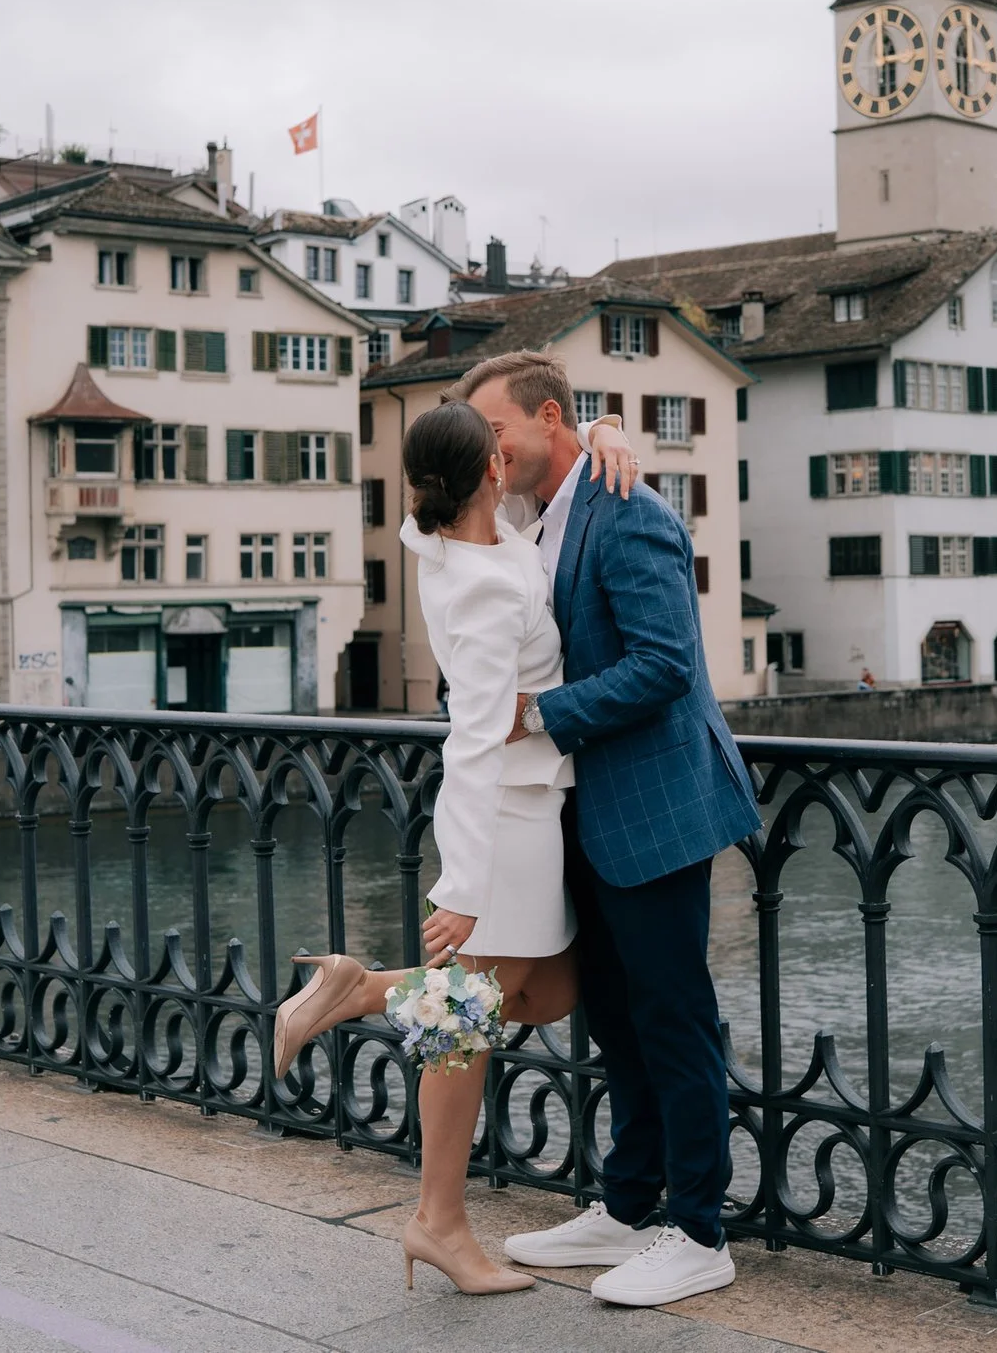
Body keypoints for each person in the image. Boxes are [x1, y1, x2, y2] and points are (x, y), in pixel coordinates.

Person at [456, 350, 761, 1309]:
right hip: (586, 806)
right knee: (619, 1017)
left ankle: (702, 1230)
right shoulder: (540, 514)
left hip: (657, 804)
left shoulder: (629, 508)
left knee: (673, 1018)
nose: (487, 453)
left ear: (550, 419)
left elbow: (668, 664)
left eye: (496, 432)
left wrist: (536, 715)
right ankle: (629, 1205)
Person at [270, 401, 581, 1295]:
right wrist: (463, 883)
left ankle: (356, 987)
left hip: (530, 812)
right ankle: (438, 1221)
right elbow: (474, 741)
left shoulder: (452, 541)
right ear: (489, 469)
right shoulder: (483, 582)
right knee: (467, 1016)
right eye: (500, 446)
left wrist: (598, 435)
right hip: (513, 822)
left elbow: (514, 505)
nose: (511, 452)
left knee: (542, 990)